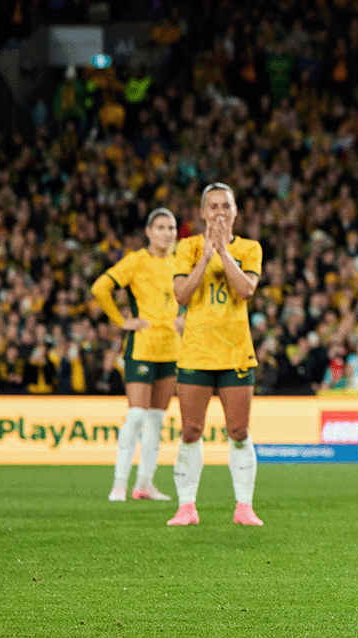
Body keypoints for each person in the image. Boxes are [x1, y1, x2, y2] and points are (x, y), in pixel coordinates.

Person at [168, 183, 265, 526]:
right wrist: (206, 258)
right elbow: (180, 294)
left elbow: (246, 290)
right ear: (202, 213)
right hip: (196, 352)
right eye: (213, 206)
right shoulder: (188, 248)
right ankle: (186, 506)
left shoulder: (251, 248)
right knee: (191, 430)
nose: (220, 212)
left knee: (238, 430)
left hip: (236, 352)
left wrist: (223, 253)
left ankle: (244, 507)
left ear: (236, 212)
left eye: (226, 205)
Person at [91, 208, 184, 502]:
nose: (166, 233)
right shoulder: (136, 261)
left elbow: (190, 295)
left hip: (171, 348)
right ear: (148, 232)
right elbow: (100, 287)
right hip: (142, 346)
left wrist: (186, 317)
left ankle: (145, 483)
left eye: (171, 228)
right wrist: (121, 321)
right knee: (136, 415)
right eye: (160, 227)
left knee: (157, 419)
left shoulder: (180, 263)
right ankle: (119, 482)